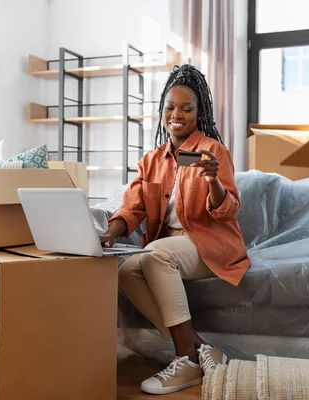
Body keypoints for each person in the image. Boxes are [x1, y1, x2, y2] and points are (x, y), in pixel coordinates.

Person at [101, 64, 250, 395]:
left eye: (187, 107)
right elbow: (133, 207)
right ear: (162, 111)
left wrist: (212, 180)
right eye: (170, 107)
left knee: (155, 256)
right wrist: (112, 233)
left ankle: (185, 359)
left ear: (200, 112)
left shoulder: (212, 151)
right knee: (127, 269)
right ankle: (198, 348)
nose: (177, 114)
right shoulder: (152, 160)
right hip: (169, 248)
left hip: (210, 245)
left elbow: (228, 211)